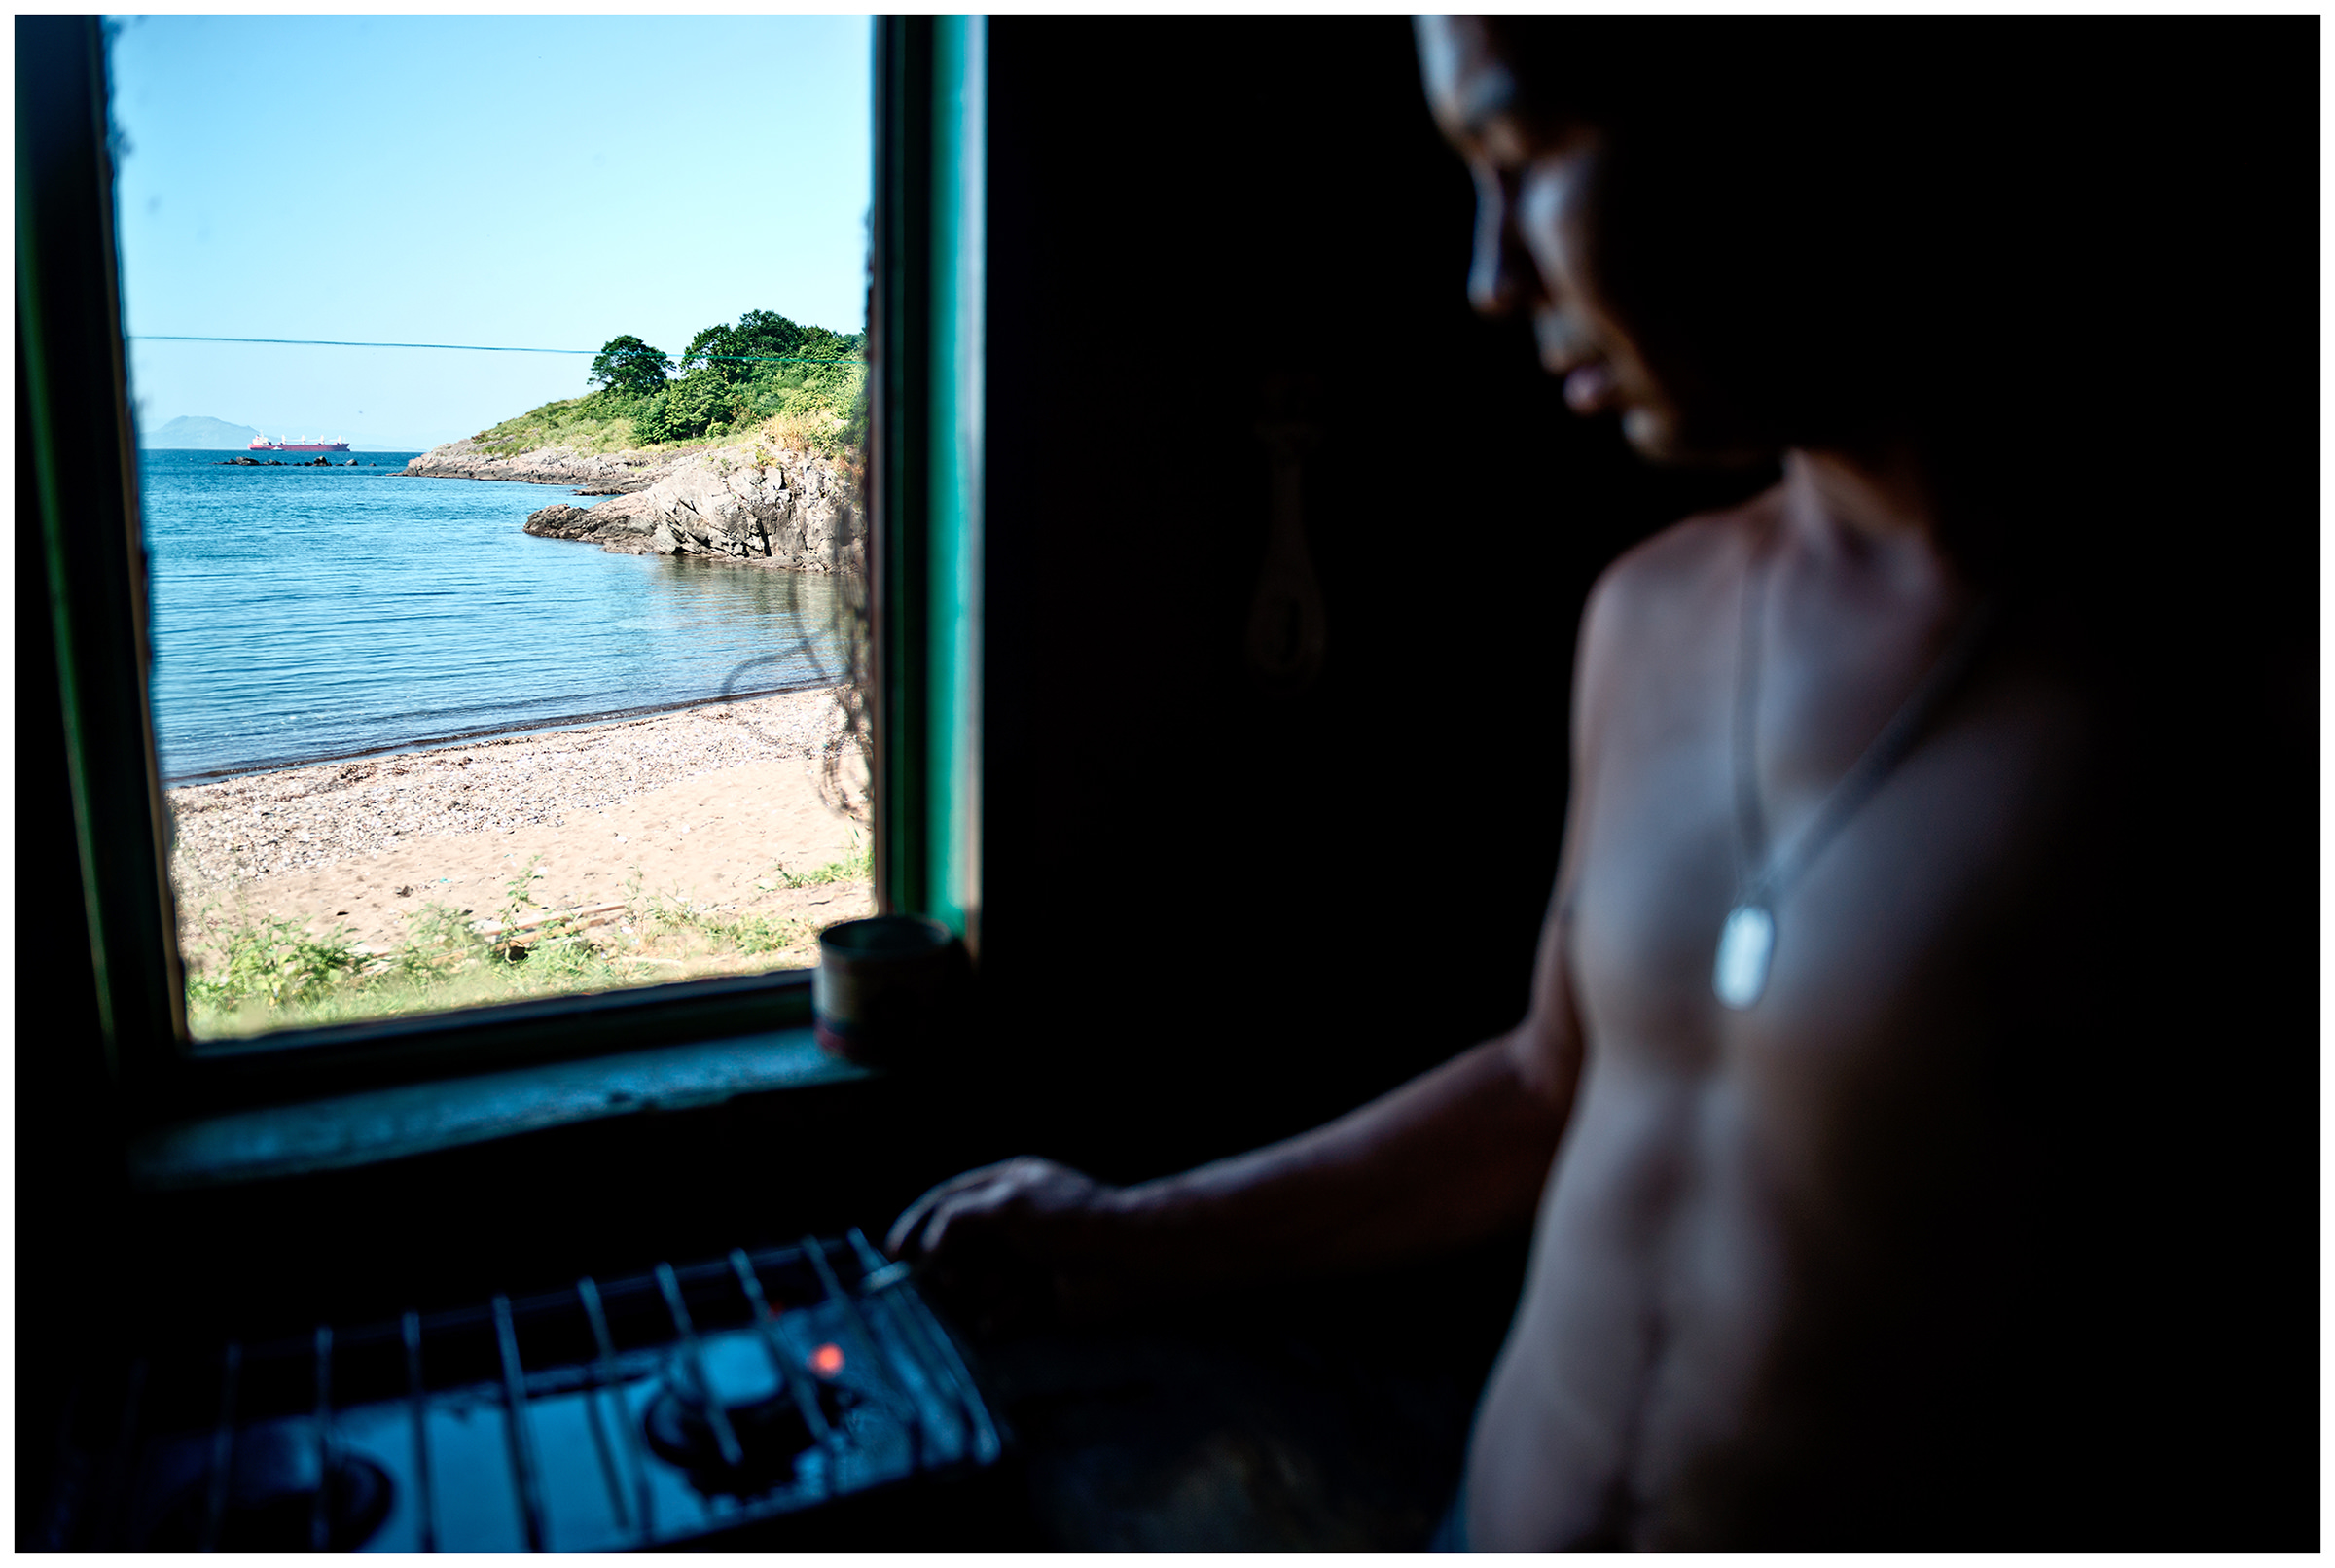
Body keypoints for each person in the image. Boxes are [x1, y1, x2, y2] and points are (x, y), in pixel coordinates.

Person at [893, 18, 2171, 1549]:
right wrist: (1122, 1236)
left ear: (1770, 100)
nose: (1492, 276)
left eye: (1524, 155)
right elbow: (1553, 1082)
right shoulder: (1654, 615)